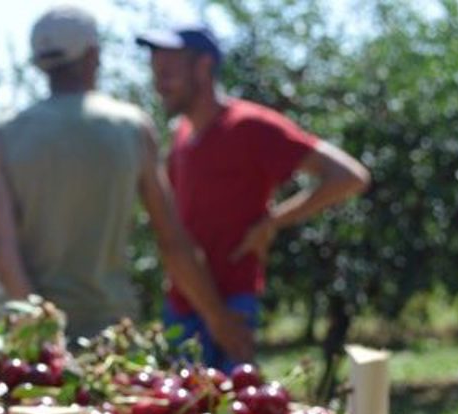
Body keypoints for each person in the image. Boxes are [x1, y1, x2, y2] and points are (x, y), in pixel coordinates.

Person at [0, 6, 251, 361]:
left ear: (40, 63)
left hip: (36, 340)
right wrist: (218, 319)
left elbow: (2, 248)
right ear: (93, 56)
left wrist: (41, 326)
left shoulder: (5, 137)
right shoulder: (131, 127)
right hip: (111, 333)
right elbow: (172, 242)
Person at [136, 25, 371, 369]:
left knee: (228, 413)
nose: (159, 85)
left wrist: (273, 221)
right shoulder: (182, 137)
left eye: (169, 73)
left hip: (232, 303)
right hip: (184, 302)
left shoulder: (251, 127)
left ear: (203, 67)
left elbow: (349, 177)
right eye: (156, 74)